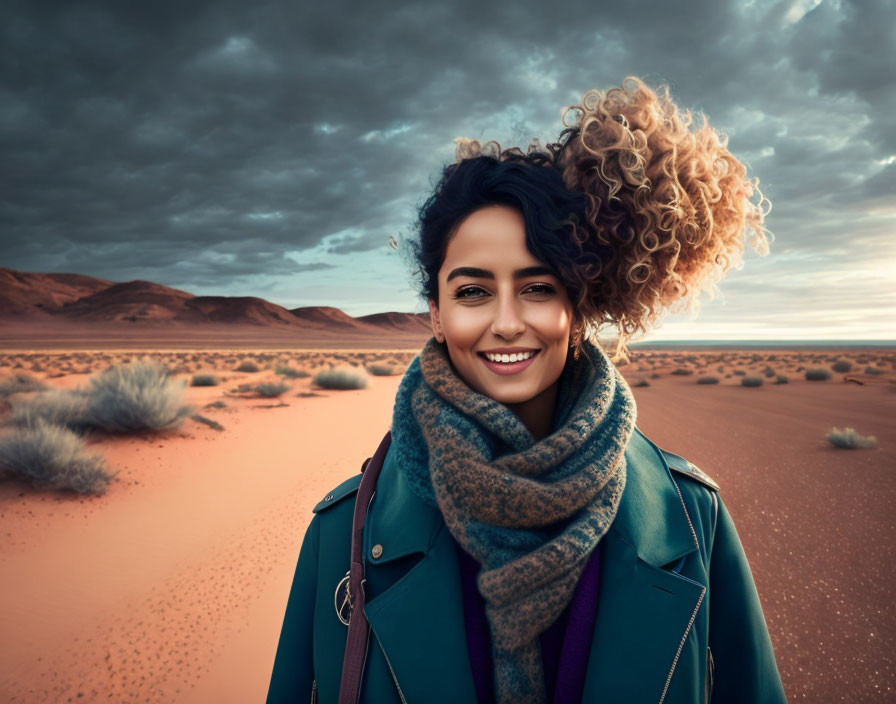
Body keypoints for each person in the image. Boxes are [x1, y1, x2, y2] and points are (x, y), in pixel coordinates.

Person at [266, 76, 787, 704]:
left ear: (577, 308)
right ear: (435, 313)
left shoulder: (692, 518)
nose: (507, 321)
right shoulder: (344, 531)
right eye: (473, 291)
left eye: (538, 288)